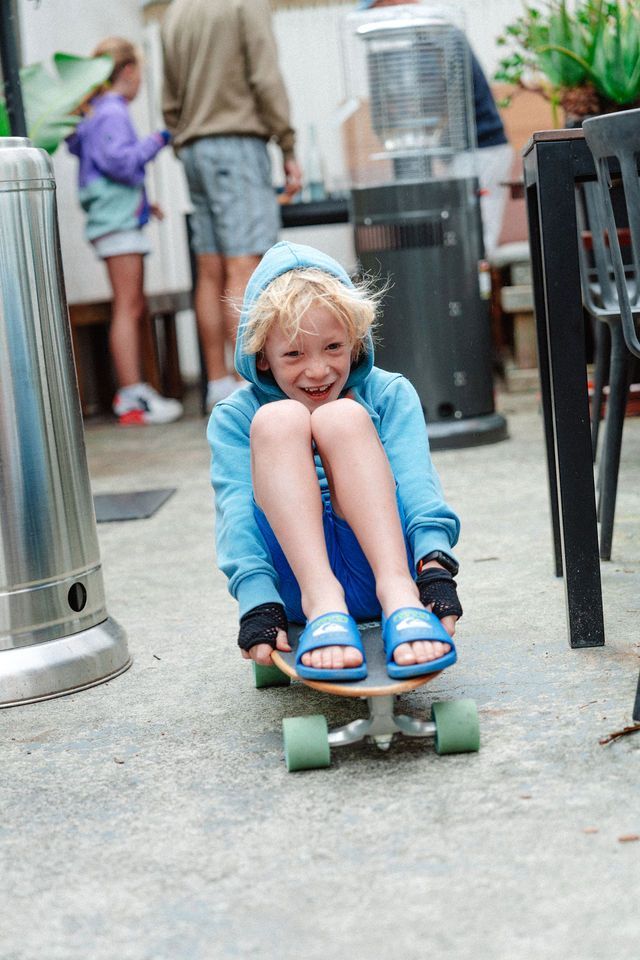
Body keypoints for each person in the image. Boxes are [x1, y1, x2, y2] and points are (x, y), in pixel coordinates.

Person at [208, 241, 462, 680]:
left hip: (386, 565)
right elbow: (236, 514)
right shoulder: (236, 416)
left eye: (332, 347)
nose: (318, 370)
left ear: (356, 341)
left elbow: (418, 482)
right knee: (276, 420)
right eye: (293, 354)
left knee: (343, 416)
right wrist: (257, 601)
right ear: (261, 357)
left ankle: (398, 595)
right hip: (300, 588)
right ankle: (325, 600)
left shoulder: (388, 393)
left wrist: (434, 566)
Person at [161, 0, 303, 412]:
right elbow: (265, 76)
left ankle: (218, 384)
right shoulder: (244, 4)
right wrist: (287, 143)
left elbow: (168, 96)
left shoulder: (176, 12)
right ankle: (248, 389)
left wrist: (183, 134)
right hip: (237, 143)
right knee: (245, 265)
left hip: (193, 148)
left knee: (210, 268)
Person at [67, 37, 183, 426]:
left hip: (115, 219)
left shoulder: (95, 111)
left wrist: (141, 203)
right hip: (116, 225)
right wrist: (158, 139)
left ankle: (135, 392)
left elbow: (102, 167)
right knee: (128, 305)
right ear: (129, 71)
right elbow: (119, 162)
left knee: (132, 304)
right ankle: (132, 396)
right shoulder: (112, 110)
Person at [357, 0, 512, 256]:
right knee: (461, 238)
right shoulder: (428, 36)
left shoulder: (438, 35)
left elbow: (436, 101)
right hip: (466, 155)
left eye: (377, 10)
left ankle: (478, 293)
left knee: (475, 241)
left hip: (482, 152)